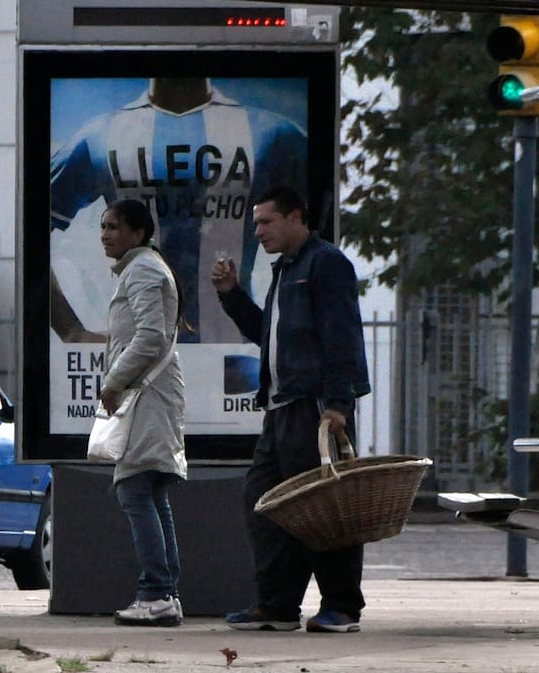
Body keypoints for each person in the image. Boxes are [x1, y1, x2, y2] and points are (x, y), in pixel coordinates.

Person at [210, 186, 371, 633]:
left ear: (296, 217)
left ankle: (341, 606)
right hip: (281, 408)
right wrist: (231, 295)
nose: (258, 231)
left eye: (267, 221)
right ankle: (278, 604)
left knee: (326, 507)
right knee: (264, 502)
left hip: (314, 407)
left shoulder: (326, 264)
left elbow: (342, 336)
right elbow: (269, 336)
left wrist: (338, 403)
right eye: (256, 223)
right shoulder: (286, 269)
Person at [50, 77, 309, 343]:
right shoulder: (101, 136)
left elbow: (318, 244)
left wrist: (297, 340)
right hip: (138, 353)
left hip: (234, 354)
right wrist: (71, 331)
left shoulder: (273, 134)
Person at [98, 199, 189, 627]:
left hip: (147, 397)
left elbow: (151, 336)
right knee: (149, 491)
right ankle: (165, 593)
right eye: (103, 227)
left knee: (135, 489)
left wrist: (113, 382)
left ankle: (156, 592)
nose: (105, 235)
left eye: (114, 227)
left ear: (137, 233)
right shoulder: (139, 269)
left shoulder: (144, 270)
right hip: (149, 395)